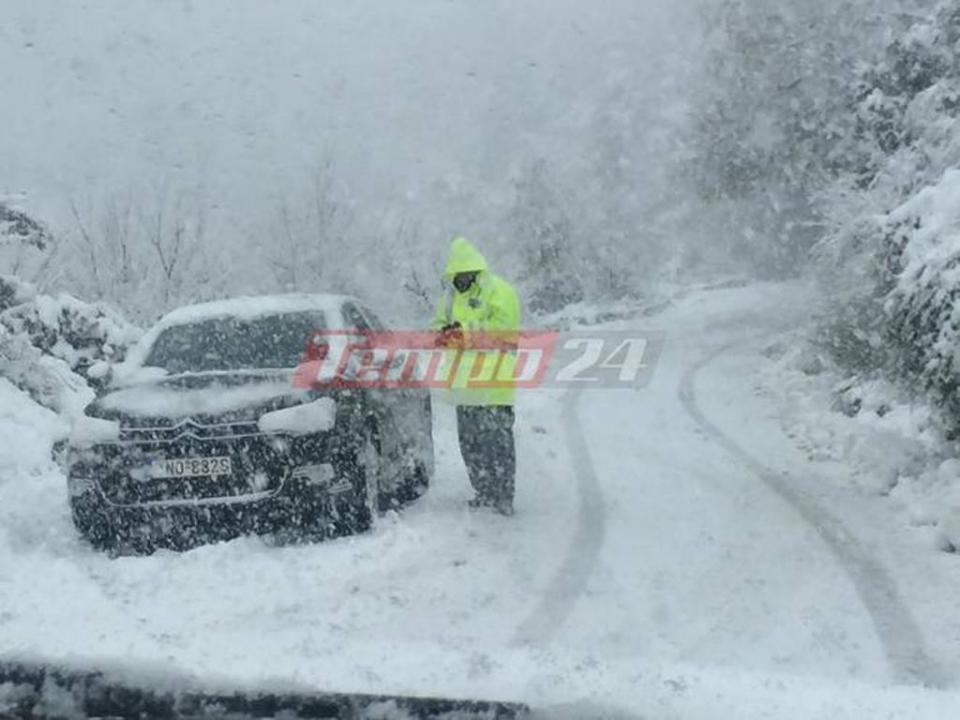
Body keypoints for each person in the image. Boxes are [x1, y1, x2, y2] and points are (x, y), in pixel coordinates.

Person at [433, 236, 521, 516]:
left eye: (465, 275)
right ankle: (484, 491)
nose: (461, 281)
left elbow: (505, 330)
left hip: (494, 384)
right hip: (464, 385)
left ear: (475, 271)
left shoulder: (499, 291)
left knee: (497, 443)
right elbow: (436, 327)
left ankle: (503, 496)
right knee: (471, 444)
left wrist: (465, 332)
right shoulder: (448, 299)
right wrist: (442, 334)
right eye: (456, 277)